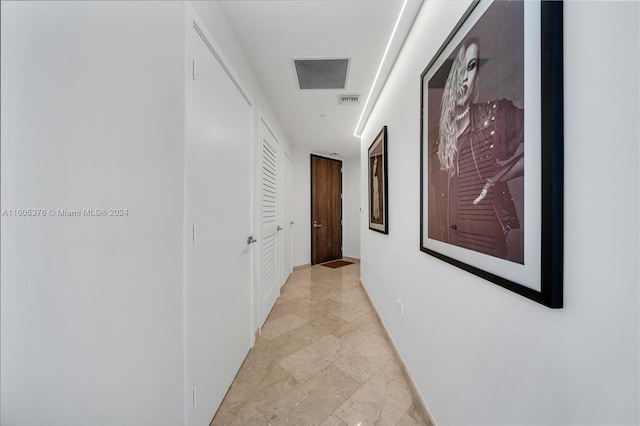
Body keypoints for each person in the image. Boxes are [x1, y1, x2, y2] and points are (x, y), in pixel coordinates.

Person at [429, 37, 524, 263]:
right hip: (455, 247)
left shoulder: (495, 116)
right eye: (460, 68)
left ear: (476, 78)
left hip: (489, 250)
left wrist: (495, 179)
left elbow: (543, 146)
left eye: (471, 67)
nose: (464, 77)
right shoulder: (438, 143)